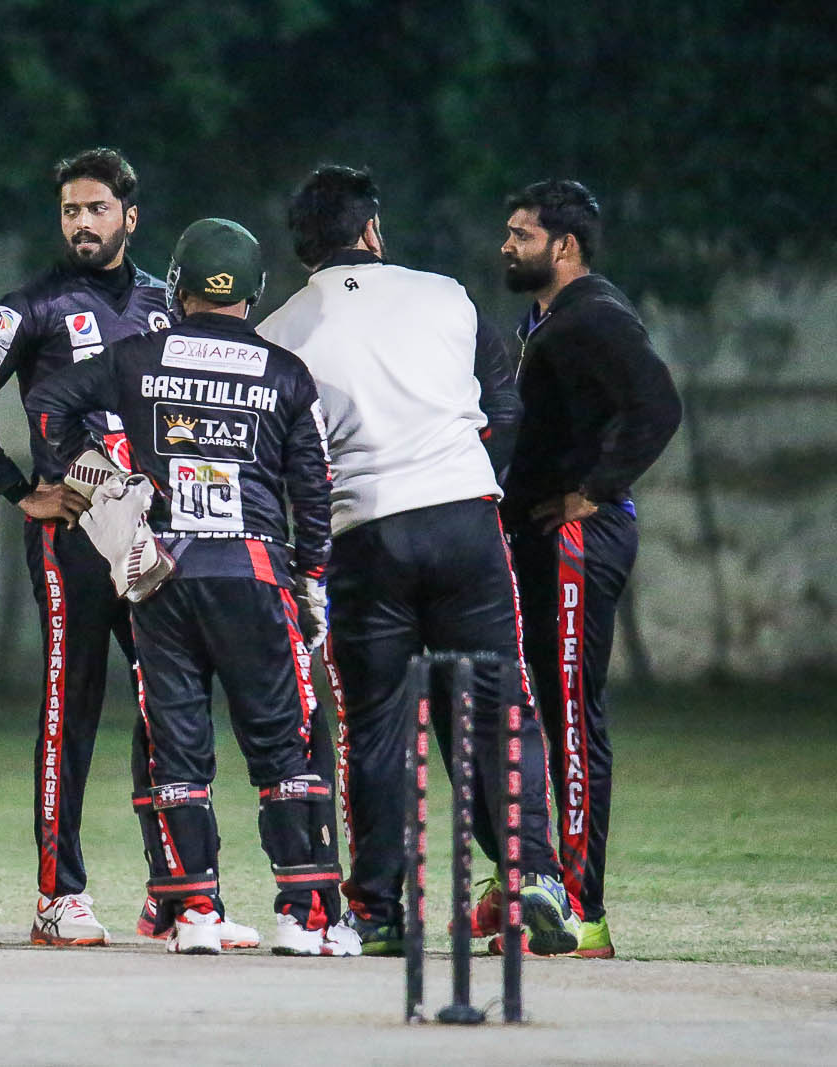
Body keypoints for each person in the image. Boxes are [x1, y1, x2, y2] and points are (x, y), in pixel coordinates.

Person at [0, 149, 256, 948]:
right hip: (71, 539)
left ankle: (181, 894)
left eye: (97, 209)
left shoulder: (166, 304)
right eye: (71, 210)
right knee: (69, 709)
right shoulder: (28, 307)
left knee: (171, 706)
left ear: (129, 217)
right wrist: (18, 488)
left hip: (152, 536)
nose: (82, 223)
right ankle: (59, 896)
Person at [256, 165, 579, 956]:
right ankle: (534, 874)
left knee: (375, 728)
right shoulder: (445, 294)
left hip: (363, 535)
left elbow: (280, 462)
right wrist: (471, 480)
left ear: (304, 248)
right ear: (372, 229)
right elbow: (506, 406)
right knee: (499, 705)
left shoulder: (279, 333)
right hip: (464, 520)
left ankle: (377, 909)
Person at [27, 217, 361, 956]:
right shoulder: (286, 372)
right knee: (287, 747)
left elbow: (48, 400)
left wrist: (96, 479)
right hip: (255, 572)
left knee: (177, 748)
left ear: (176, 285)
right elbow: (313, 488)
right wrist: (312, 583)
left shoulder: (136, 357)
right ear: (255, 291)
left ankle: (195, 913)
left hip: (163, 575)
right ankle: (305, 918)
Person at [499, 179, 682, 958]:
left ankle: (582, 908)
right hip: (538, 541)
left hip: (580, 540)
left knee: (571, 719)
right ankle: (533, 883)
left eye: (521, 234)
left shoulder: (596, 315)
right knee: (535, 712)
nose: (507, 245)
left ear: (564, 246)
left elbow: (659, 406)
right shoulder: (545, 321)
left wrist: (594, 491)